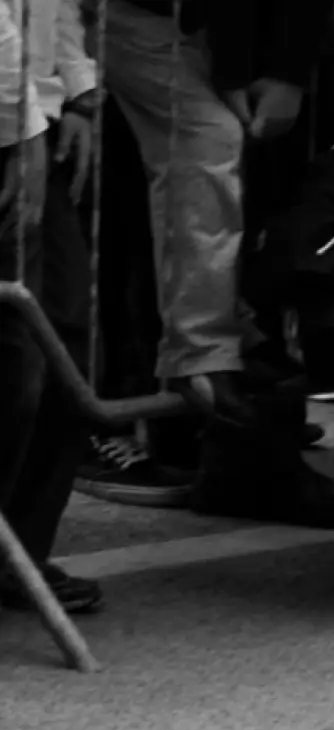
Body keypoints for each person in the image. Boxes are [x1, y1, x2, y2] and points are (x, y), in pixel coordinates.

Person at [94, 0, 334, 528]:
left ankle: (227, 388)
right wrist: (247, 73)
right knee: (204, 150)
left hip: (210, 30)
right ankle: (196, 368)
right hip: (131, 24)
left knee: (232, 182)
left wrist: (279, 73)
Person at [0, 0, 104, 614]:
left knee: (61, 338)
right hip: (14, 124)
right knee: (16, 362)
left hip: (28, 116)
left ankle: (20, 552)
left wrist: (77, 92)